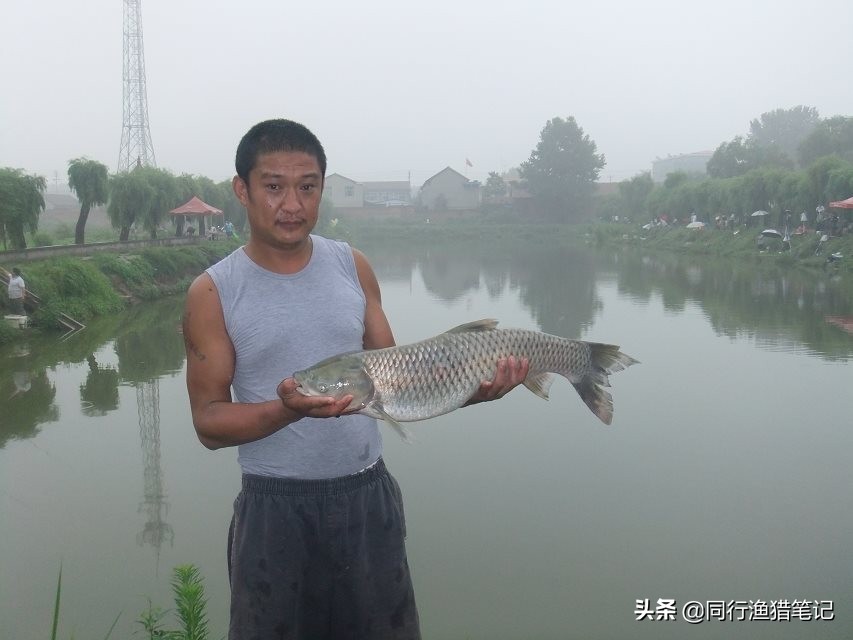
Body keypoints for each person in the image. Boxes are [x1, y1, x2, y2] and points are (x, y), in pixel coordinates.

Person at [182, 118, 528, 640]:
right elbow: (208, 424)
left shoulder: (353, 266)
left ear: (322, 188)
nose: (292, 204)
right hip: (274, 509)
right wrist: (286, 410)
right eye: (273, 187)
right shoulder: (212, 292)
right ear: (242, 190)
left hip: (366, 497)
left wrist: (473, 389)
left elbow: (398, 384)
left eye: (307, 187)